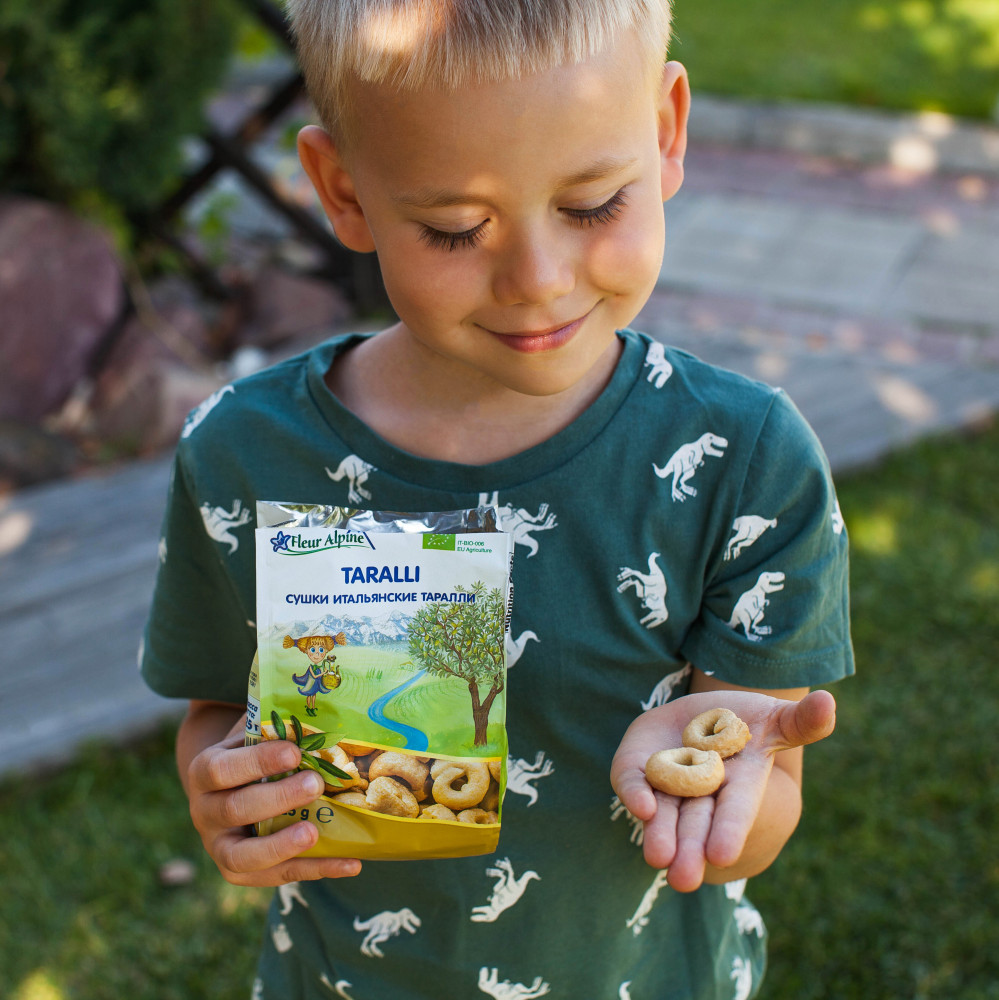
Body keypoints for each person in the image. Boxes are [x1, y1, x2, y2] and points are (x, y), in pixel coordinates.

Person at [141, 1, 854, 997]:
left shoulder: (746, 462)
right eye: (455, 229)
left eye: (593, 204)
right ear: (343, 192)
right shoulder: (243, 454)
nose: (535, 280)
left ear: (665, 131)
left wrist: (722, 793)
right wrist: (221, 792)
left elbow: (761, 811)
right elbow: (218, 703)